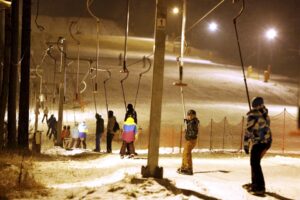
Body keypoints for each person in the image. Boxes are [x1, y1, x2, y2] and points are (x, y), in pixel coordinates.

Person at [243, 97, 272, 195]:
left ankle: (259, 187)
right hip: (267, 142)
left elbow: (248, 131)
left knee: (255, 163)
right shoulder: (265, 114)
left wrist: (246, 145)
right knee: (255, 163)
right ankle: (255, 183)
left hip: (259, 142)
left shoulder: (253, 115)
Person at [177, 109, 199, 175]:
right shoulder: (191, 122)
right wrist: (187, 122)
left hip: (191, 140)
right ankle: (184, 167)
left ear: (194, 115)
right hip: (189, 140)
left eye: (191, 115)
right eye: (188, 115)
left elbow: (193, 131)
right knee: (185, 153)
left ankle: (189, 168)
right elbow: (190, 125)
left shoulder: (193, 122)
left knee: (187, 153)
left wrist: (188, 132)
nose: (189, 116)